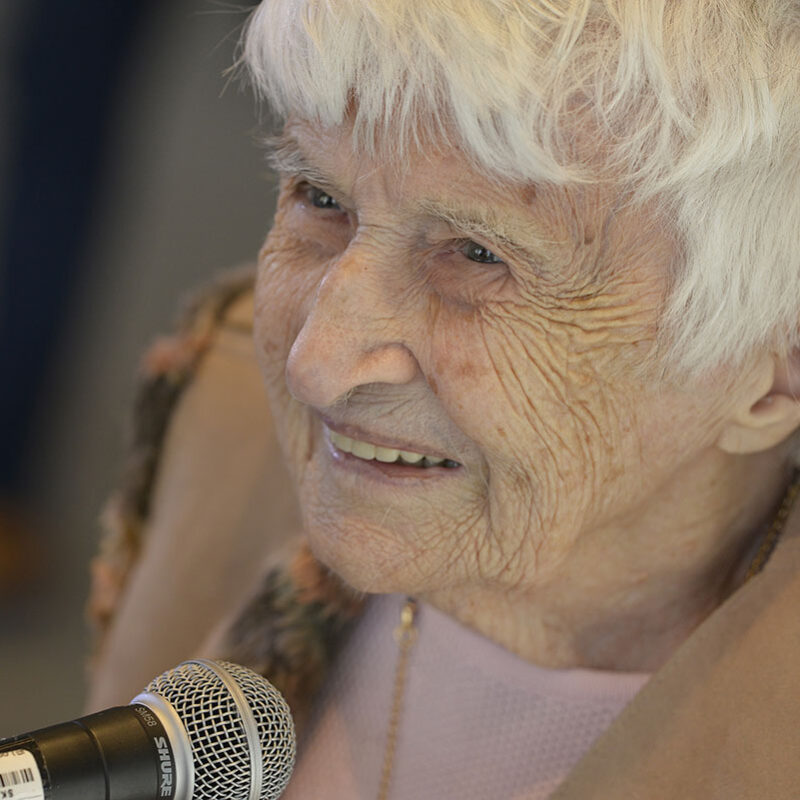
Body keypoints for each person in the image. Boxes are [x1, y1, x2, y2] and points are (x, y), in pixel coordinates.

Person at [88, 1, 800, 797]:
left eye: (476, 254)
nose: (315, 365)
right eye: (322, 199)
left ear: (776, 372)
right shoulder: (229, 427)